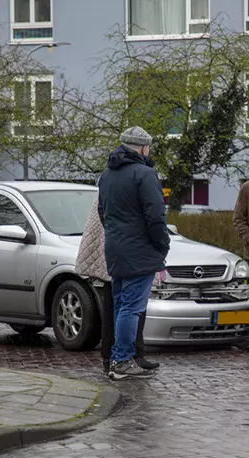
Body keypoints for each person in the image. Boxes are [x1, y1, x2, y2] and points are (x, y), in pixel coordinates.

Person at [98, 126, 170, 380]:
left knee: (120, 305)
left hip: (115, 249)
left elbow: (102, 213)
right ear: (142, 148)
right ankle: (122, 360)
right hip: (140, 250)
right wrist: (162, 245)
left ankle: (118, 358)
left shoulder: (106, 175)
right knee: (131, 307)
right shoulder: (145, 174)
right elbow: (156, 216)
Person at [74, 195, 160, 374]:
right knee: (122, 308)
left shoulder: (114, 180)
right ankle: (116, 356)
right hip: (121, 255)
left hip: (118, 252)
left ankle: (131, 355)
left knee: (129, 308)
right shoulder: (119, 181)